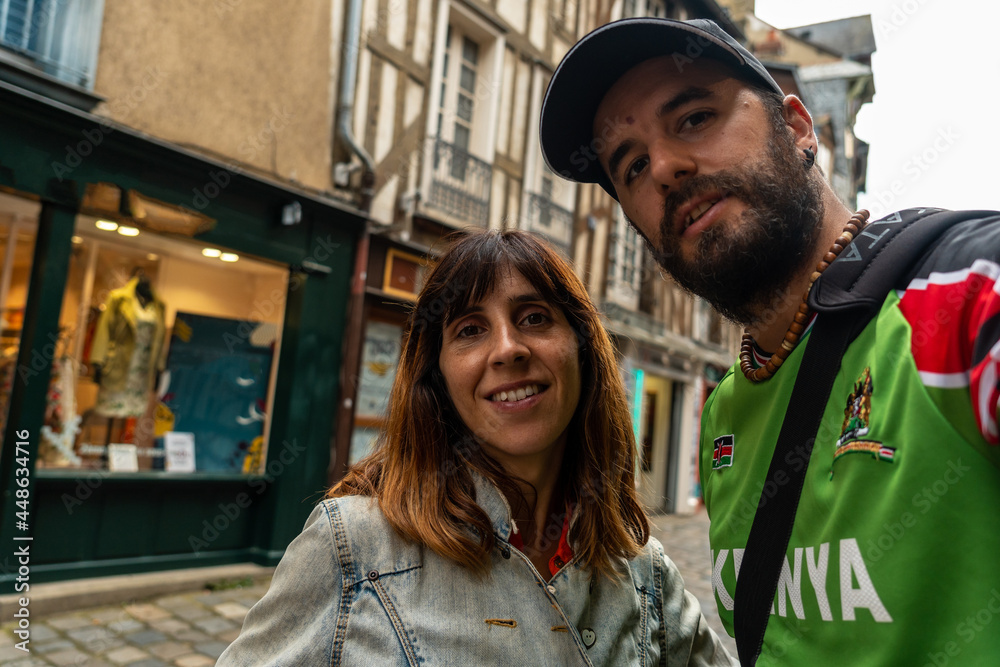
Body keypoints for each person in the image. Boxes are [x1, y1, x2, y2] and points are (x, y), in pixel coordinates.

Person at [539, 16, 1000, 666]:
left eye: (695, 117)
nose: (665, 167)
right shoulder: (724, 413)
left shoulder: (963, 294)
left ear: (798, 127)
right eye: (632, 165)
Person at [218, 230, 735, 666]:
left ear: (582, 350)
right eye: (469, 329)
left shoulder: (643, 571)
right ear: (438, 376)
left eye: (534, 317)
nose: (508, 348)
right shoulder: (352, 546)